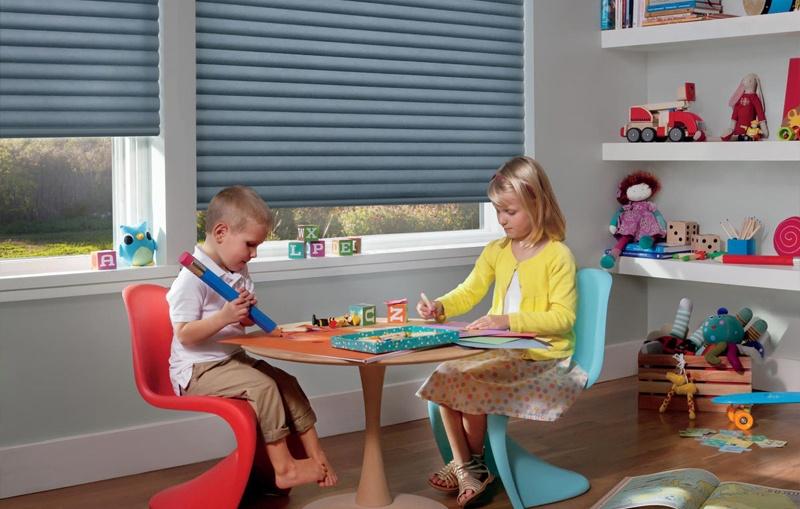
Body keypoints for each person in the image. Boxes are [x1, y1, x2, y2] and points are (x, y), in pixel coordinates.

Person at [416, 157, 586, 508]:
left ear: (537, 204)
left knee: (470, 383)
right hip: (501, 351)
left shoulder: (558, 256)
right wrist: (441, 306)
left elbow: (562, 319)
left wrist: (506, 320)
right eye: (498, 212)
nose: (502, 220)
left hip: (541, 357)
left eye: (510, 211)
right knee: (444, 375)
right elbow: (469, 290)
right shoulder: (497, 251)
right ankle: (469, 466)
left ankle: (469, 467)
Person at [167, 185, 337, 490]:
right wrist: (224, 316)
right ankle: (284, 468)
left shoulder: (238, 270)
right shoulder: (191, 280)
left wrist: (244, 316)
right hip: (197, 370)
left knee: (287, 383)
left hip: (231, 360)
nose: (253, 254)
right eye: (250, 244)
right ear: (221, 232)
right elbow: (184, 334)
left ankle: (318, 457)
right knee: (264, 388)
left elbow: (238, 327)